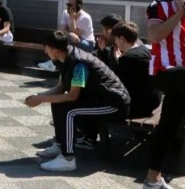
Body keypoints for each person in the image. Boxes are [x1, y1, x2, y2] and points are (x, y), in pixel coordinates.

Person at [25, 30, 130, 173]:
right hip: (97, 99)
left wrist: (41, 99)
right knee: (58, 104)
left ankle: (67, 159)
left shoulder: (79, 63)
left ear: (55, 51)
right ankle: (61, 145)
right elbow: (60, 88)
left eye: (46, 48)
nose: (44, 51)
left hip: (113, 104)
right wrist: (37, 96)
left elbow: (72, 96)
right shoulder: (63, 58)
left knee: (69, 111)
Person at [142, 0, 185, 189]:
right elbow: (154, 35)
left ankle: (152, 177)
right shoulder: (160, 6)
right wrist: (179, 13)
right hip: (165, 71)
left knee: (169, 123)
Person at [110, 22, 161, 119]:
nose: (115, 42)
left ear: (122, 39)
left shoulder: (127, 59)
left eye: (116, 39)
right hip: (154, 101)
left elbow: (115, 83)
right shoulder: (146, 51)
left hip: (138, 106)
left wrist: (117, 61)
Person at [39, 0, 96, 72]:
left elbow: (77, 35)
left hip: (87, 44)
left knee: (67, 40)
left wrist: (72, 18)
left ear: (78, 6)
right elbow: (62, 30)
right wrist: (70, 33)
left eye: (70, 5)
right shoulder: (65, 13)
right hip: (72, 40)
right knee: (60, 38)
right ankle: (55, 63)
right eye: (67, 4)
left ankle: (54, 63)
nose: (68, 6)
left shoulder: (85, 18)